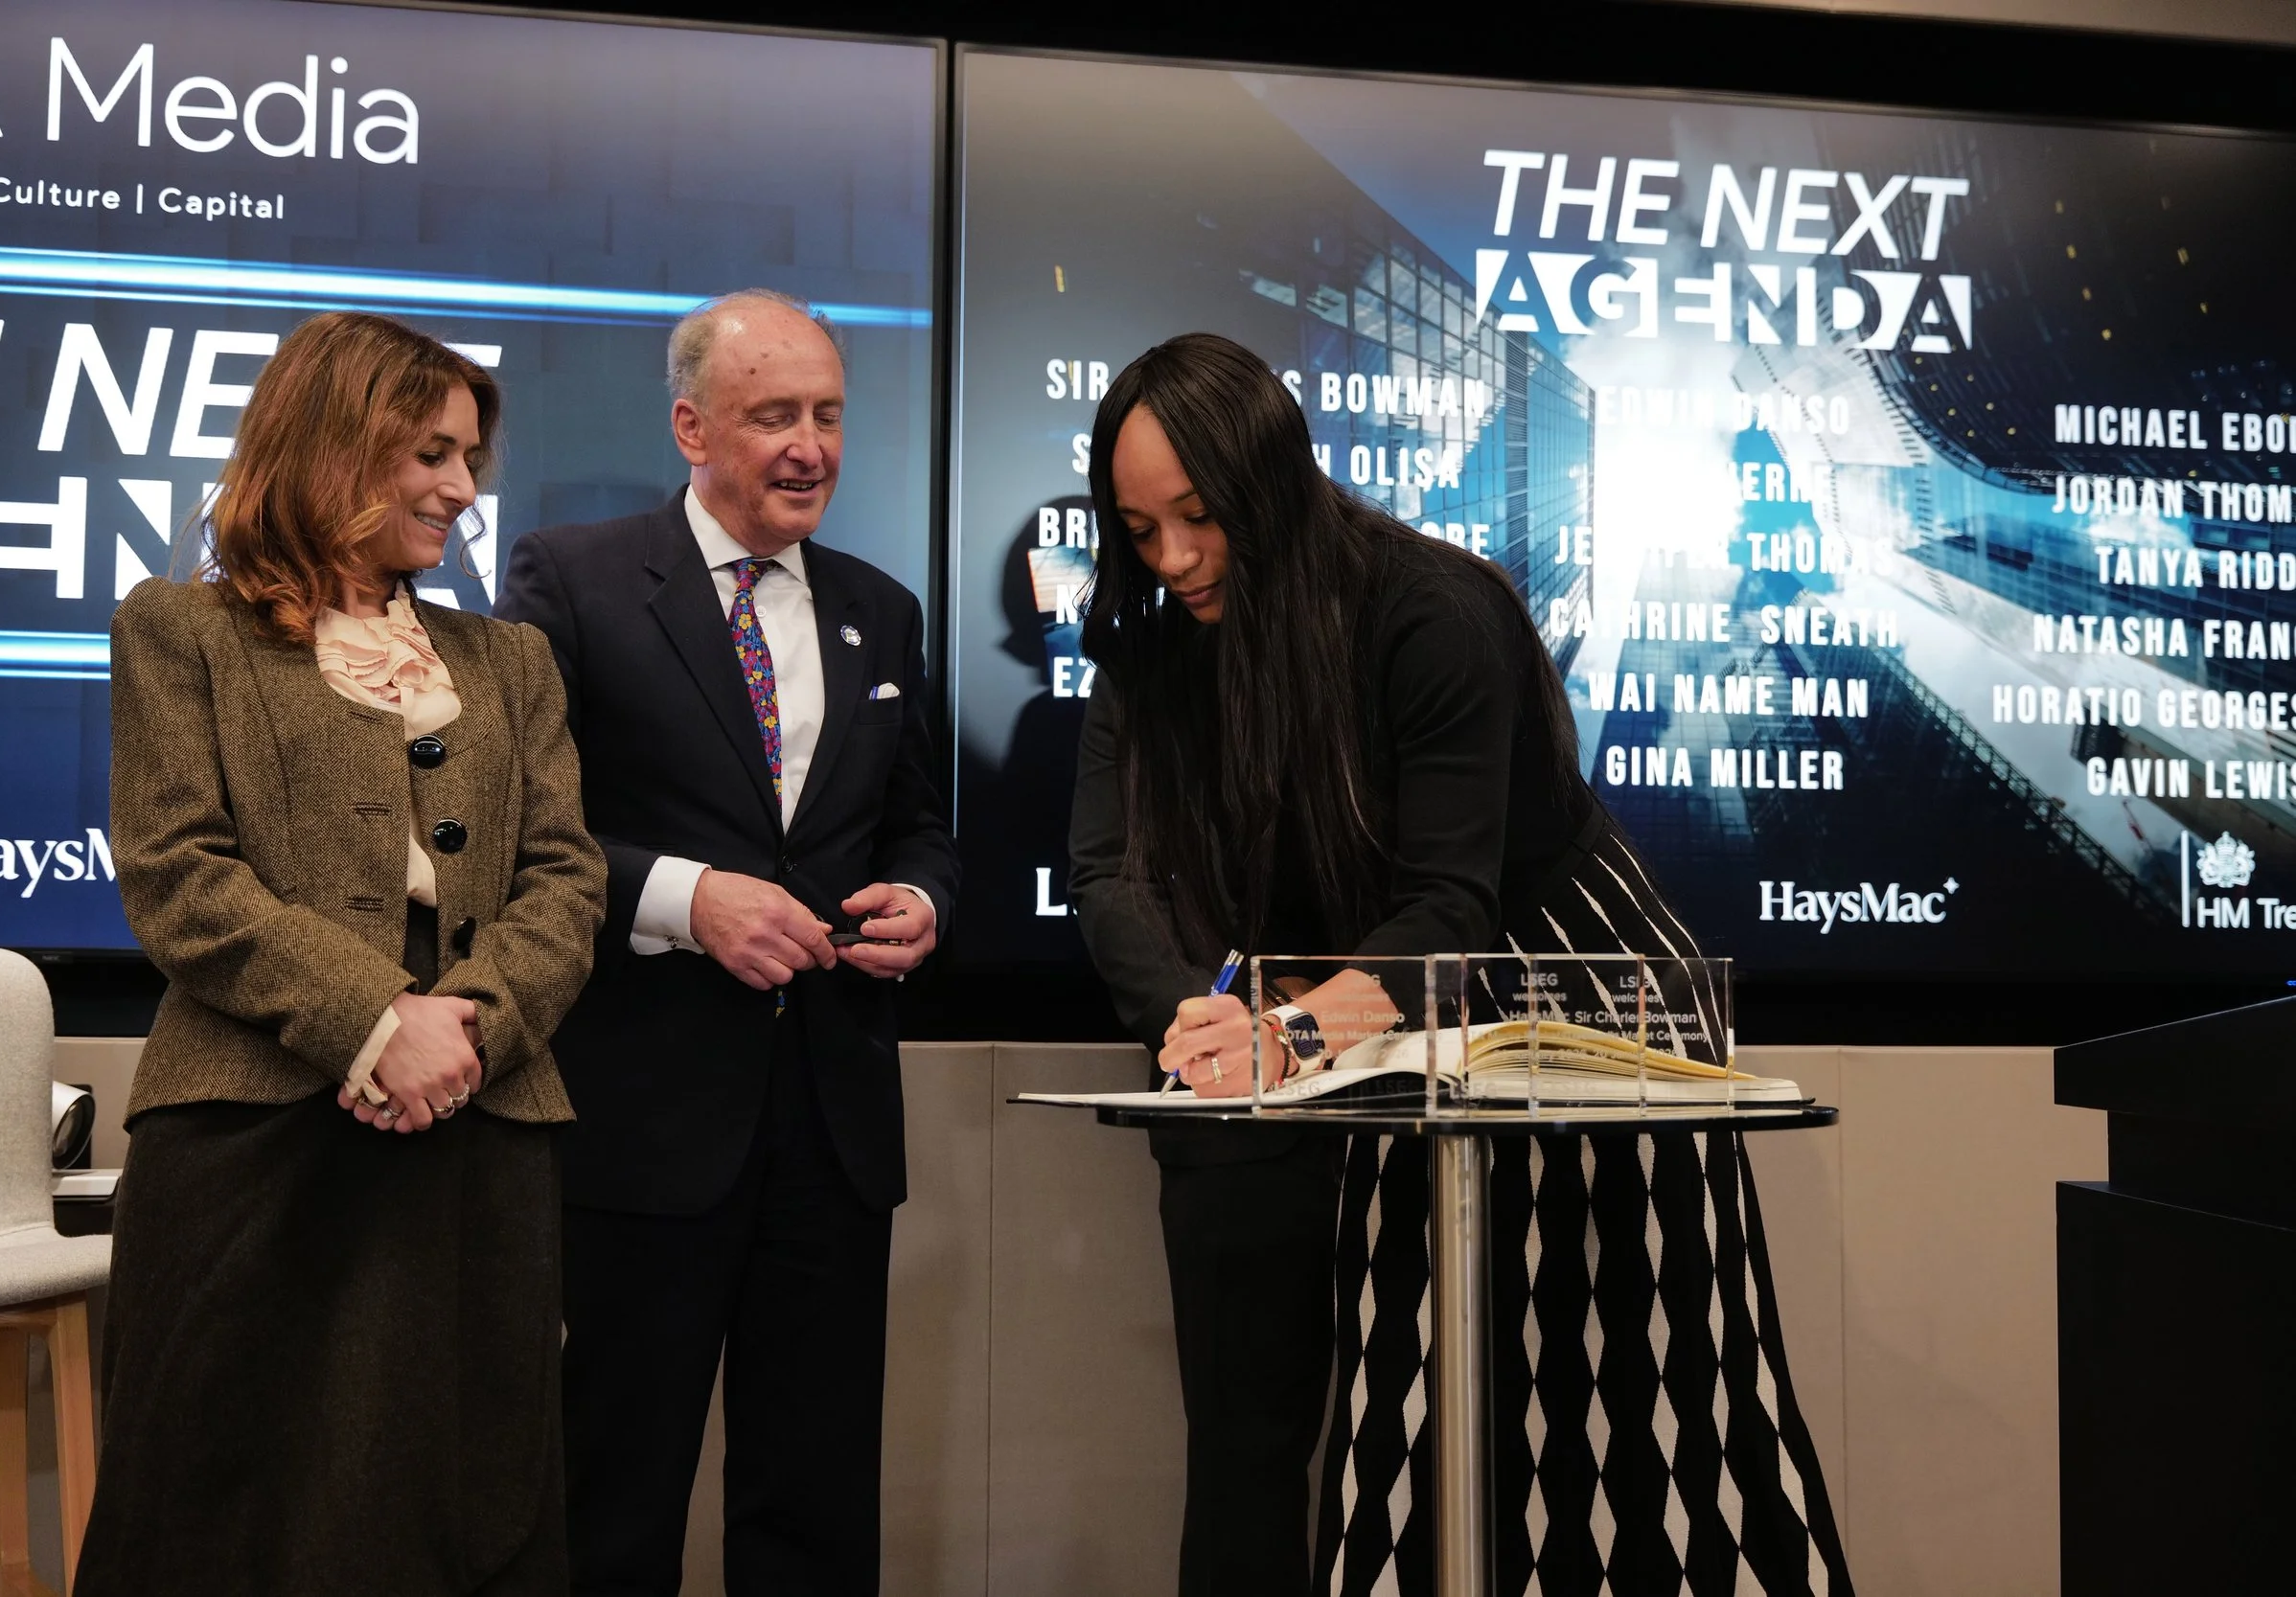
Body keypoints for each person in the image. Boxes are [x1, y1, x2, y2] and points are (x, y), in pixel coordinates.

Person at [1068, 332, 1850, 1597]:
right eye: (1141, 527)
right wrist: (1231, 1026)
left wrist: (1282, 1037)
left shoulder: (1430, 606)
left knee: (1615, 1421)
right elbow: (1128, 873)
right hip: (1379, 1018)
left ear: (1271, 483)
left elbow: (1448, 909)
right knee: (1407, 1422)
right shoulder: (1168, 644)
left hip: (1558, 996)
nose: (1173, 558)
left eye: (1200, 518)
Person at [79, 311, 607, 1595]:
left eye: (469, 457)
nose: (461, 489)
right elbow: (179, 873)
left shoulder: (512, 660)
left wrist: (469, 1023)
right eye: (429, 453)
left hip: (482, 1117)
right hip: (254, 1132)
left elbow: (568, 879)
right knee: (220, 1505)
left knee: (470, 1504)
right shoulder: (180, 629)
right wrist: (375, 1017)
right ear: (328, 444)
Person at [496, 289, 958, 1595]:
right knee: (612, 1498)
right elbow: (527, 828)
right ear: (694, 426)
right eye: (774, 417)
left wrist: (923, 903)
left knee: (813, 1509)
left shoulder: (884, 611)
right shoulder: (571, 579)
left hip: (831, 1125)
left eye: (827, 415)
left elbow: (919, 829)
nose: (809, 445)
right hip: (643, 1124)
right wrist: (681, 898)